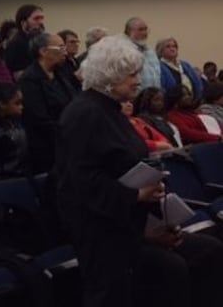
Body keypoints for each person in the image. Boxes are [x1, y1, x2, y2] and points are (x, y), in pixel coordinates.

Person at [56, 35, 223, 307]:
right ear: (110, 75)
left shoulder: (110, 111)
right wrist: (136, 196)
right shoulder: (84, 114)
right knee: (166, 272)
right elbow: (82, 184)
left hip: (128, 223)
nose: (138, 81)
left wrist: (154, 222)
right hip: (102, 232)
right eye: (131, 75)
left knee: (209, 252)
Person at [18, 33, 76, 175]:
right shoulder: (29, 80)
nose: (65, 52)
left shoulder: (60, 75)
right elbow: (39, 119)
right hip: (47, 149)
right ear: (43, 51)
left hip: (68, 143)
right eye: (61, 48)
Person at [4, 4, 45, 77]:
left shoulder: (40, 41)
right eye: (36, 19)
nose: (41, 22)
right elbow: (19, 76)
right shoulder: (16, 44)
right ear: (23, 23)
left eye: (42, 18)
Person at [124, 17, 161, 90]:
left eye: (145, 29)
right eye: (140, 30)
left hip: (152, 95)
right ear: (129, 31)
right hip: (134, 95)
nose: (144, 33)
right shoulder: (124, 51)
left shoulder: (150, 51)